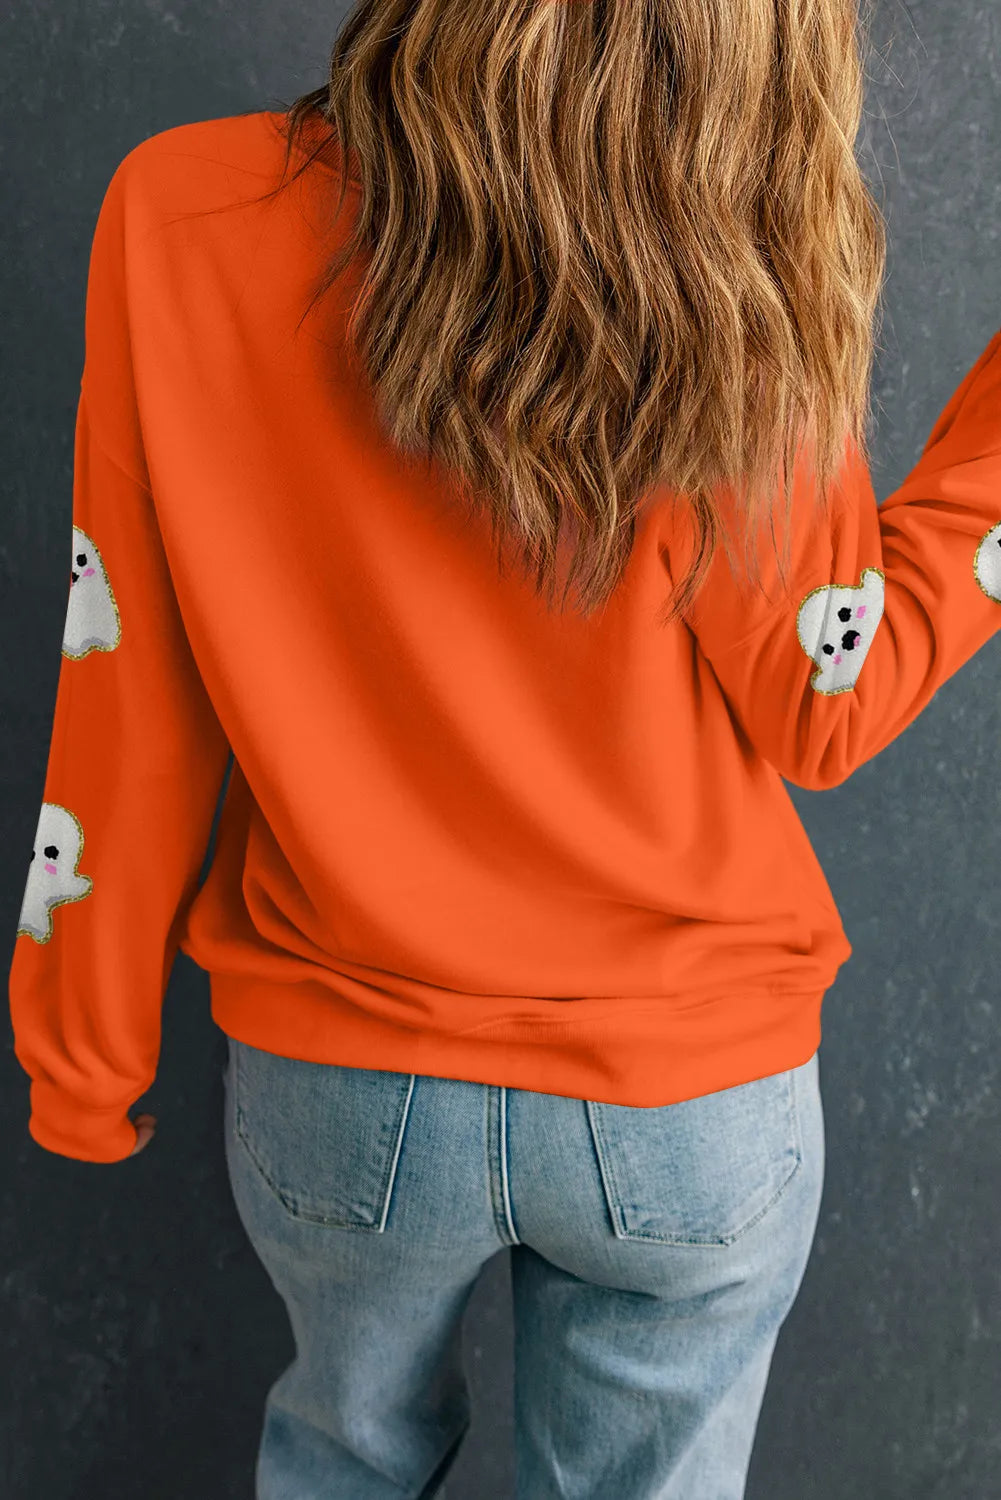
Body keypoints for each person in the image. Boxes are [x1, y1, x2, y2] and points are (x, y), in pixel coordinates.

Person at [8, 0, 1001, 1495]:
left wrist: (83, 1053)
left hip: (341, 1083)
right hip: (683, 1091)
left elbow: (125, 669)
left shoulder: (181, 209)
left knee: (337, 1467)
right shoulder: (731, 267)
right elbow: (827, 698)